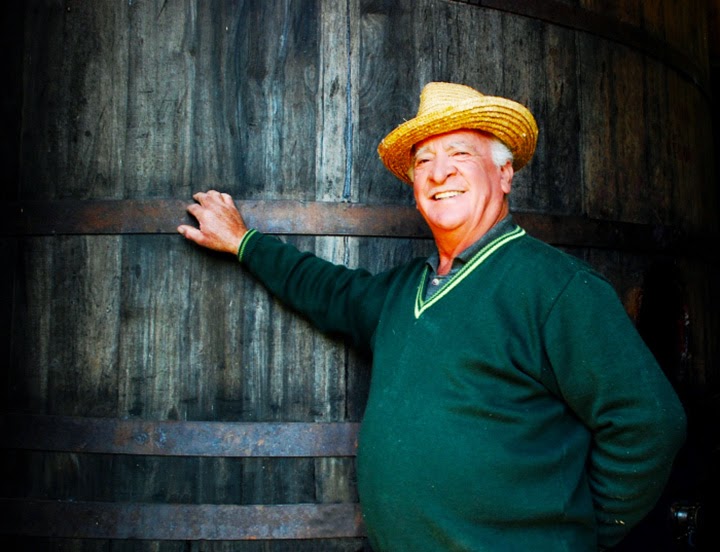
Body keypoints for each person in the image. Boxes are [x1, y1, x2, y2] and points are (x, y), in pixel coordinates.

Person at [178, 82, 686, 551]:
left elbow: (650, 423)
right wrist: (244, 242)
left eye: (460, 154)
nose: (439, 173)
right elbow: (326, 290)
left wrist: (573, 532)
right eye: (424, 161)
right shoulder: (402, 292)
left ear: (504, 174)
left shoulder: (556, 287)